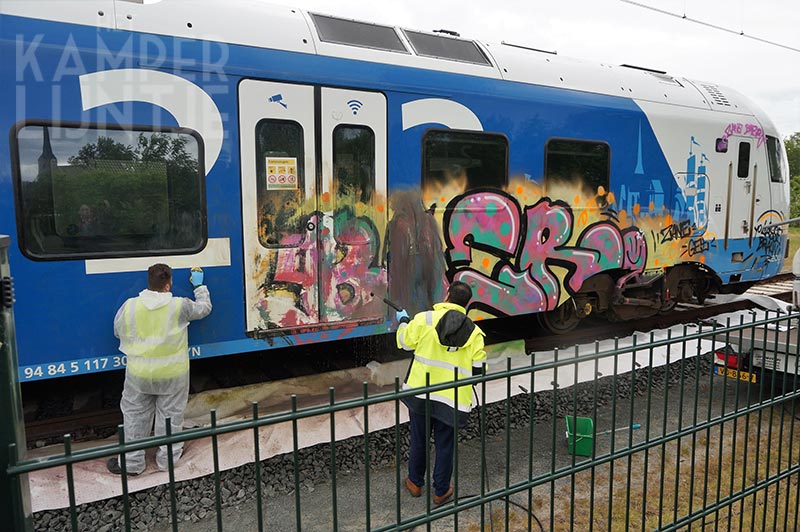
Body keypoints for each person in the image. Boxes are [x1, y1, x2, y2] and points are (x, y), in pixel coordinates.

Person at [107, 263, 212, 476]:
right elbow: (204, 309)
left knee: (135, 417)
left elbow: (118, 332)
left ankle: (132, 464)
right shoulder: (179, 306)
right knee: (171, 417)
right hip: (173, 374)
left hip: (140, 374)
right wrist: (199, 287)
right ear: (169, 283)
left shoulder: (130, 306)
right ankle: (167, 462)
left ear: (148, 282)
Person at [395, 281, 486, 505]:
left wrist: (404, 322)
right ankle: (441, 490)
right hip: (452, 400)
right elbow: (478, 371)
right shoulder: (475, 333)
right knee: (445, 445)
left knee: (419, 439)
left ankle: (415, 483)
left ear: (447, 296)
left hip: (421, 394)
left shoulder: (424, 319)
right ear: (467, 304)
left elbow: (404, 342)